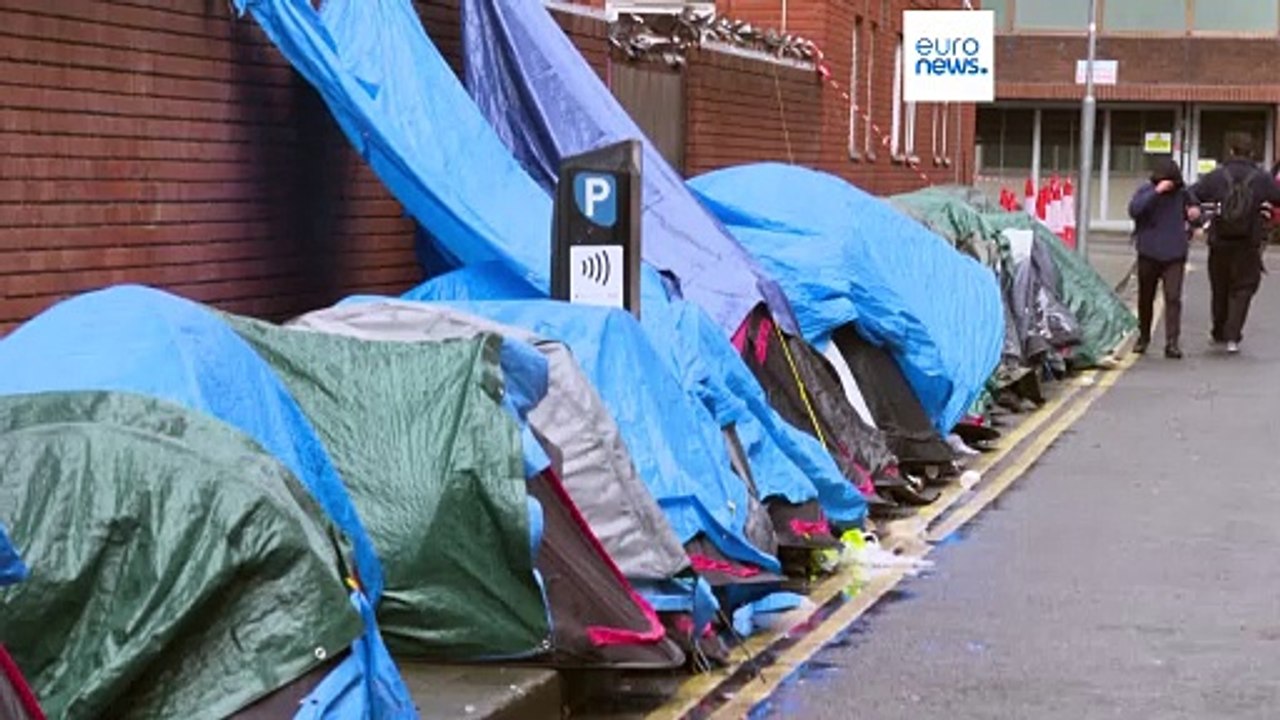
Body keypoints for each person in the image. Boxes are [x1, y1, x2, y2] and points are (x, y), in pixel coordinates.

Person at [1186, 133, 1280, 354]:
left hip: (1220, 241)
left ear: (1231, 151)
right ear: (1252, 153)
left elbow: (1192, 193)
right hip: (1248, 243)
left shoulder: (1217, 176)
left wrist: (1199, 216)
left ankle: (1218, 330)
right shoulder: (1261, 178)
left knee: (1220, 287)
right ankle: (1233, 336)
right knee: (1243, 288)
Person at [1128, 158, 1193, 358]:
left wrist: (1196, 214)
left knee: (1173, 298)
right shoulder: (1146, 191)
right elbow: (1134, 210)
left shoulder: (1183, 194)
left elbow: (1197, 213)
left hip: (1174, 254)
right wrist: (1156, 193)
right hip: (1149, 252)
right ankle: (1144, 336)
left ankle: (1172, 343)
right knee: (1146, 297)